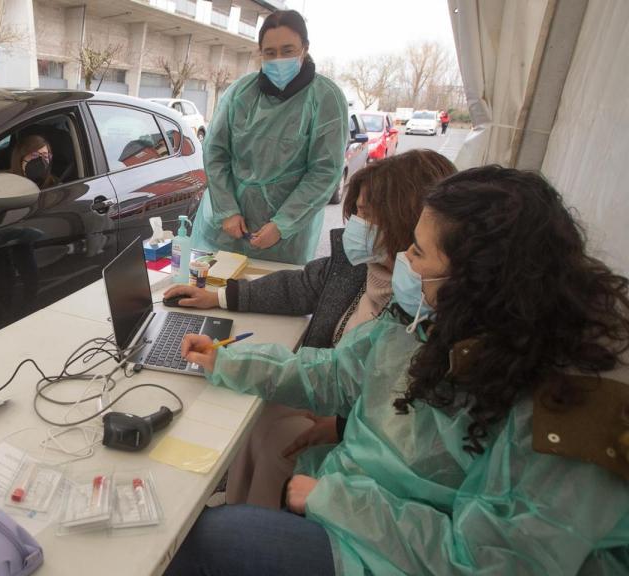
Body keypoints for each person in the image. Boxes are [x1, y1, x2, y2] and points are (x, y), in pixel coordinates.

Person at [168, 166, 629, 575]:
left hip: (389, 552)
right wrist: (227, 360)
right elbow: (337, 374)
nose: (405, 259)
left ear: (479, 277)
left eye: (419, 251)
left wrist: (336, 500)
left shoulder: (567, 409)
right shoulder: (437, 319)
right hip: (362, 513)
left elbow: (494, 562)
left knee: (207, 541)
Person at [166, 149, 456, 508]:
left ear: (406, 221)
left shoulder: (420, 307)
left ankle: (252, 523)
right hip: (331, 397)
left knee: (275, 440)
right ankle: (240, 507)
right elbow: (300, 291)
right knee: (255, 418)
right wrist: (219, 298)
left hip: (360, 433)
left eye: (366, 214)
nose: (355, 224)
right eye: (356, 212)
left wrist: (342, 425)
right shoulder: (358, 266)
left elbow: (401, 415)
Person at [191, 10, 348, 264]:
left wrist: (283, 224)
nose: (278, 60)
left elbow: (325, 171)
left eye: (288, 51)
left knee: (274, 287)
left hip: (284, 242)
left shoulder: (325, 98)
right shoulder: (240, 93)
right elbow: (215, 153)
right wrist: (227, 210)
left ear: (305, 48)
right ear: (260, 53)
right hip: (227, 232)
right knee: (213, 286)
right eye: (270, 52)